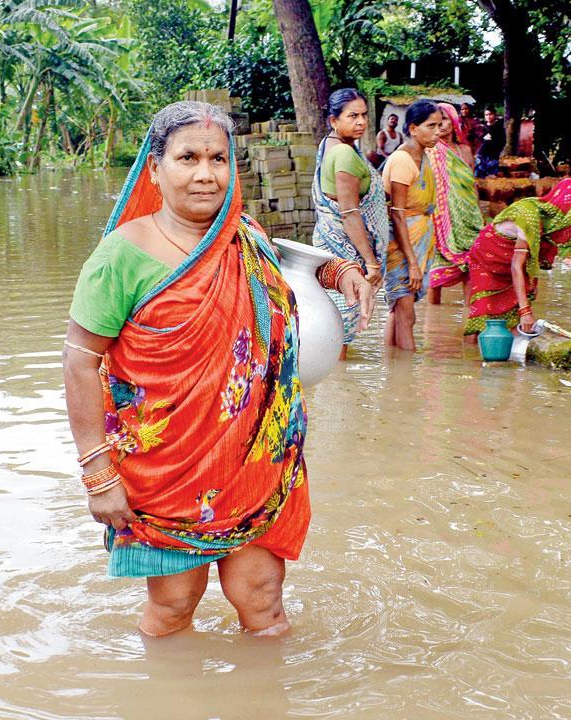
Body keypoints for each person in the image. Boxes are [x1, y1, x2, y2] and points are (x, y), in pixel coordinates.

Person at [62, 101, 373, 637]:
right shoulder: (121, 256)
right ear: (155, 169)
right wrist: (98, 474)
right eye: (187, 157)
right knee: (173, 607)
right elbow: (80, 360)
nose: (206, 174)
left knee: (263, 601)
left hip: (254, 459)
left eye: (218, 158)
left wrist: (337, 270)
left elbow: (285, 266)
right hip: (168, 470)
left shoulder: (245, 235)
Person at [466, 179, 571, 335]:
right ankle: (471, 354)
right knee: (483, 314)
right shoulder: (529, 216)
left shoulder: (547, 218)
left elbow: (530, 258)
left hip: (514, 261)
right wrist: (525, 311)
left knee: (514, 314)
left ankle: (507, 352)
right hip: (488, 258)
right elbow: (516, 267)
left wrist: (529, 291)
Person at [312, 88, 390, 356]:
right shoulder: (344, 155)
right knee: (341, 325)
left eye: (364, 115)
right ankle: (339, 387)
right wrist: (370, 262)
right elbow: (349, 213)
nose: (361, 122)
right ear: (334, 121)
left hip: (331, 246)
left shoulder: (331, 145)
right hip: (345, 252)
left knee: (334, 321)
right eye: (352, 116)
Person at [383, 99, 443, 350]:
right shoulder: (402, 161)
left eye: (440, 125)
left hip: (418, 238)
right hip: (402, 243)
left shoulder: (425, 157)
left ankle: (392, 373)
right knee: (407, 316)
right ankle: (409, 377)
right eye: (431, 126)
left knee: (399, 311)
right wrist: (413, 263)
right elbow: (397, 214)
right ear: (414, 127)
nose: (438, 131)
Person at [426, 102, 483, 307]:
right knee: (435, 275)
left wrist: (477, 214)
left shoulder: (465, 150)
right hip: (440, 220)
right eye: (435, 121)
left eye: (445, 119)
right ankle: (434, 323)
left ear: (454, 121)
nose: (440, 125)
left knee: (471, 266)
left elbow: (472, 184)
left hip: (467, 216)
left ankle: (470, 318)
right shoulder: (429, 150)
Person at [474, 107, 503, 178]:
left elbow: (502, 141)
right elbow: (477, 139)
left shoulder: (499, 127)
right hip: (481, 154)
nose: (488, 116)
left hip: (493, 155)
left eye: (490, 114)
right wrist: (483, 138)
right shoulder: (481, 126)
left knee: (491, 176)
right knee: (479, 176)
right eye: (486, 115)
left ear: (494, 115)